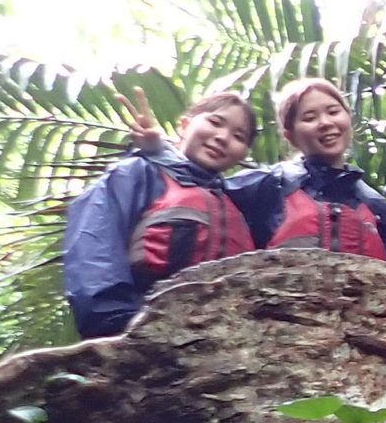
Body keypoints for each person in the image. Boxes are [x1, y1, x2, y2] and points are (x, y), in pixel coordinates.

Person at [62, 87, 267, 338]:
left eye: (239, 136)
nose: (223, 137)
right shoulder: (137, 173)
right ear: (184, 125)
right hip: (141, 325)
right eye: (215, 122)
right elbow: (95, 243)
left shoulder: (237, 200)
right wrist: (114, 323)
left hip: (221, 338)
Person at [249, 76, 386, 263]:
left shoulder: (376, 205)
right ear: (290, 136)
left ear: (349, 118)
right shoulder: (268, 186)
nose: (325, 123)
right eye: (310, 118)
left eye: (333, 112)